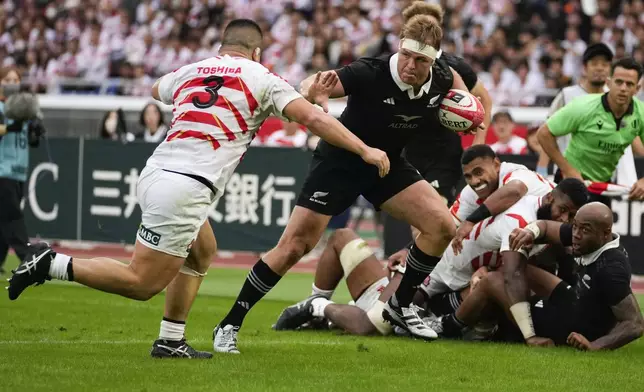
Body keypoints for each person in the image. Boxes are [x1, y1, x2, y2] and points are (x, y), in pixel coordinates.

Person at [7, 19, 389, 359]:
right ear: (256, 52)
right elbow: (311, 119)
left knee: (203, 250)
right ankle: (50, 263)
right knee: (142, 282)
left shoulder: (192, 70)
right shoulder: (262, 77)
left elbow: (158, 89)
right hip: (186, 187)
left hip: (157, 172)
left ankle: (170, 339)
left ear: (221, 47)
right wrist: (363, 148)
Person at [214, 1, 473, 353]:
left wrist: (473, 108)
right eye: (407, 55)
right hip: (340, 160)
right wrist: (315, 91)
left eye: (421, 60)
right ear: (399, 46)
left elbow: (463, 88)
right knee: (293, 247)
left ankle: (400, 305)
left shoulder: (441, 76)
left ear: (434, 60)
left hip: (386, 164)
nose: (411, 65)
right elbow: (311, 84)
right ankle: (229, 323)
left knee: (443, 225)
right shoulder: (370, 71)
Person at [440, 203, 644, 351]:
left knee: (492, 281)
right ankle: (483, 319)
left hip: (572, 327)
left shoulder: (611, 268)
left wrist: (595, 345)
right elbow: (545, 227)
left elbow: (635, 323)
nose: (576, 235)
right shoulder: (592, 238)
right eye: (575, 226)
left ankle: (446, 326)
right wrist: (530, 232)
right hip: (573, 301)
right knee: (515, 268)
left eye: (585, 230)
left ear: (605, 233)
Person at [382, 2, 493, 256]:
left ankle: (424, 279)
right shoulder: (397, 67)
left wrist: (479, 139)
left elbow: (483, 99)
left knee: (431, 218)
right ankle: (425, 275)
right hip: (408, 153)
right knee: (424, 223)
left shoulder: (454, 66)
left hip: (442, 155)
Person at [420, 178, 588, 328]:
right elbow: (512, 277)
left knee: (524, 279)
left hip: (485, 266)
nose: (565, 219)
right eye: (563, 210)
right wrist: (529, 334)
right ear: (550, 197)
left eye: (572, 215)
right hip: (451, 272)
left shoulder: (543, 198)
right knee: (500, 282)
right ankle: (445, 323)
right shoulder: (519, 221)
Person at [537, 58, 644, 204]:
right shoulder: (584, 106)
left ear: (637, 89)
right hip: (570, 182)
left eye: (629, 84)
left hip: (603, 185)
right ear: (608, 83)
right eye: (619, 82)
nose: (623, 88)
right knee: (563, 227)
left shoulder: (641, 113)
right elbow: (543, 133)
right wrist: (568, 170)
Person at [272, 228, 404, 336]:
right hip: (399, 296)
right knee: (341, 237)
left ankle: (317, 305)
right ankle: (316, 305)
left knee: (374, 325)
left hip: (407, 300)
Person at [0, 67, 44, 274]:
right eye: (7, 79)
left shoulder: (24, 110)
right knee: (13, 216)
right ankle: (27, 257)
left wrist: (36, 131)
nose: (11, 83)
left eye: (15, 79)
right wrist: (9, 128)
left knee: (4, 219)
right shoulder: (1, 107)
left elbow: (30, 141)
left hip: (18, 172)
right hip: (2, 171)